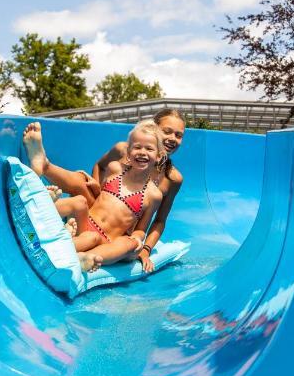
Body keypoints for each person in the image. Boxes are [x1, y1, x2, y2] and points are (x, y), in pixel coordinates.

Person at [22, 109, 186, 273]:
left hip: (119, 231)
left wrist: (145, 249)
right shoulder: (123, 151)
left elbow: (158, 221)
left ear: (158, 155)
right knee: (83, 183)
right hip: (98, 209)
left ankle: (79, 249)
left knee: (125, 243)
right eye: (167, 132)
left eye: (178, 135)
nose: (172, 139)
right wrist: (98, 185)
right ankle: (43, 167)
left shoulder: (171, 179)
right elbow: (100, 166)